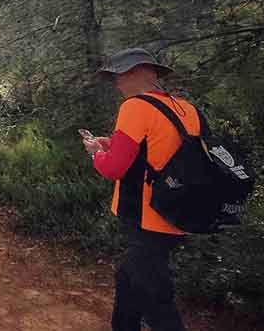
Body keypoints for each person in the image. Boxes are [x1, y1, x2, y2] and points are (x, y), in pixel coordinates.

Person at [85, 48, 194, 331]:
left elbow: (113, 169)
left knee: (155, 296)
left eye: (119, 76)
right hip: (179, 210)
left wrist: (96, 153)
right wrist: (111, 144)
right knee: (128, 278)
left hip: (146, 215)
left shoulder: (135, 107)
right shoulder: (185, 108)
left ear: (137, 73)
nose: (117, 83)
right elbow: (162, 153)